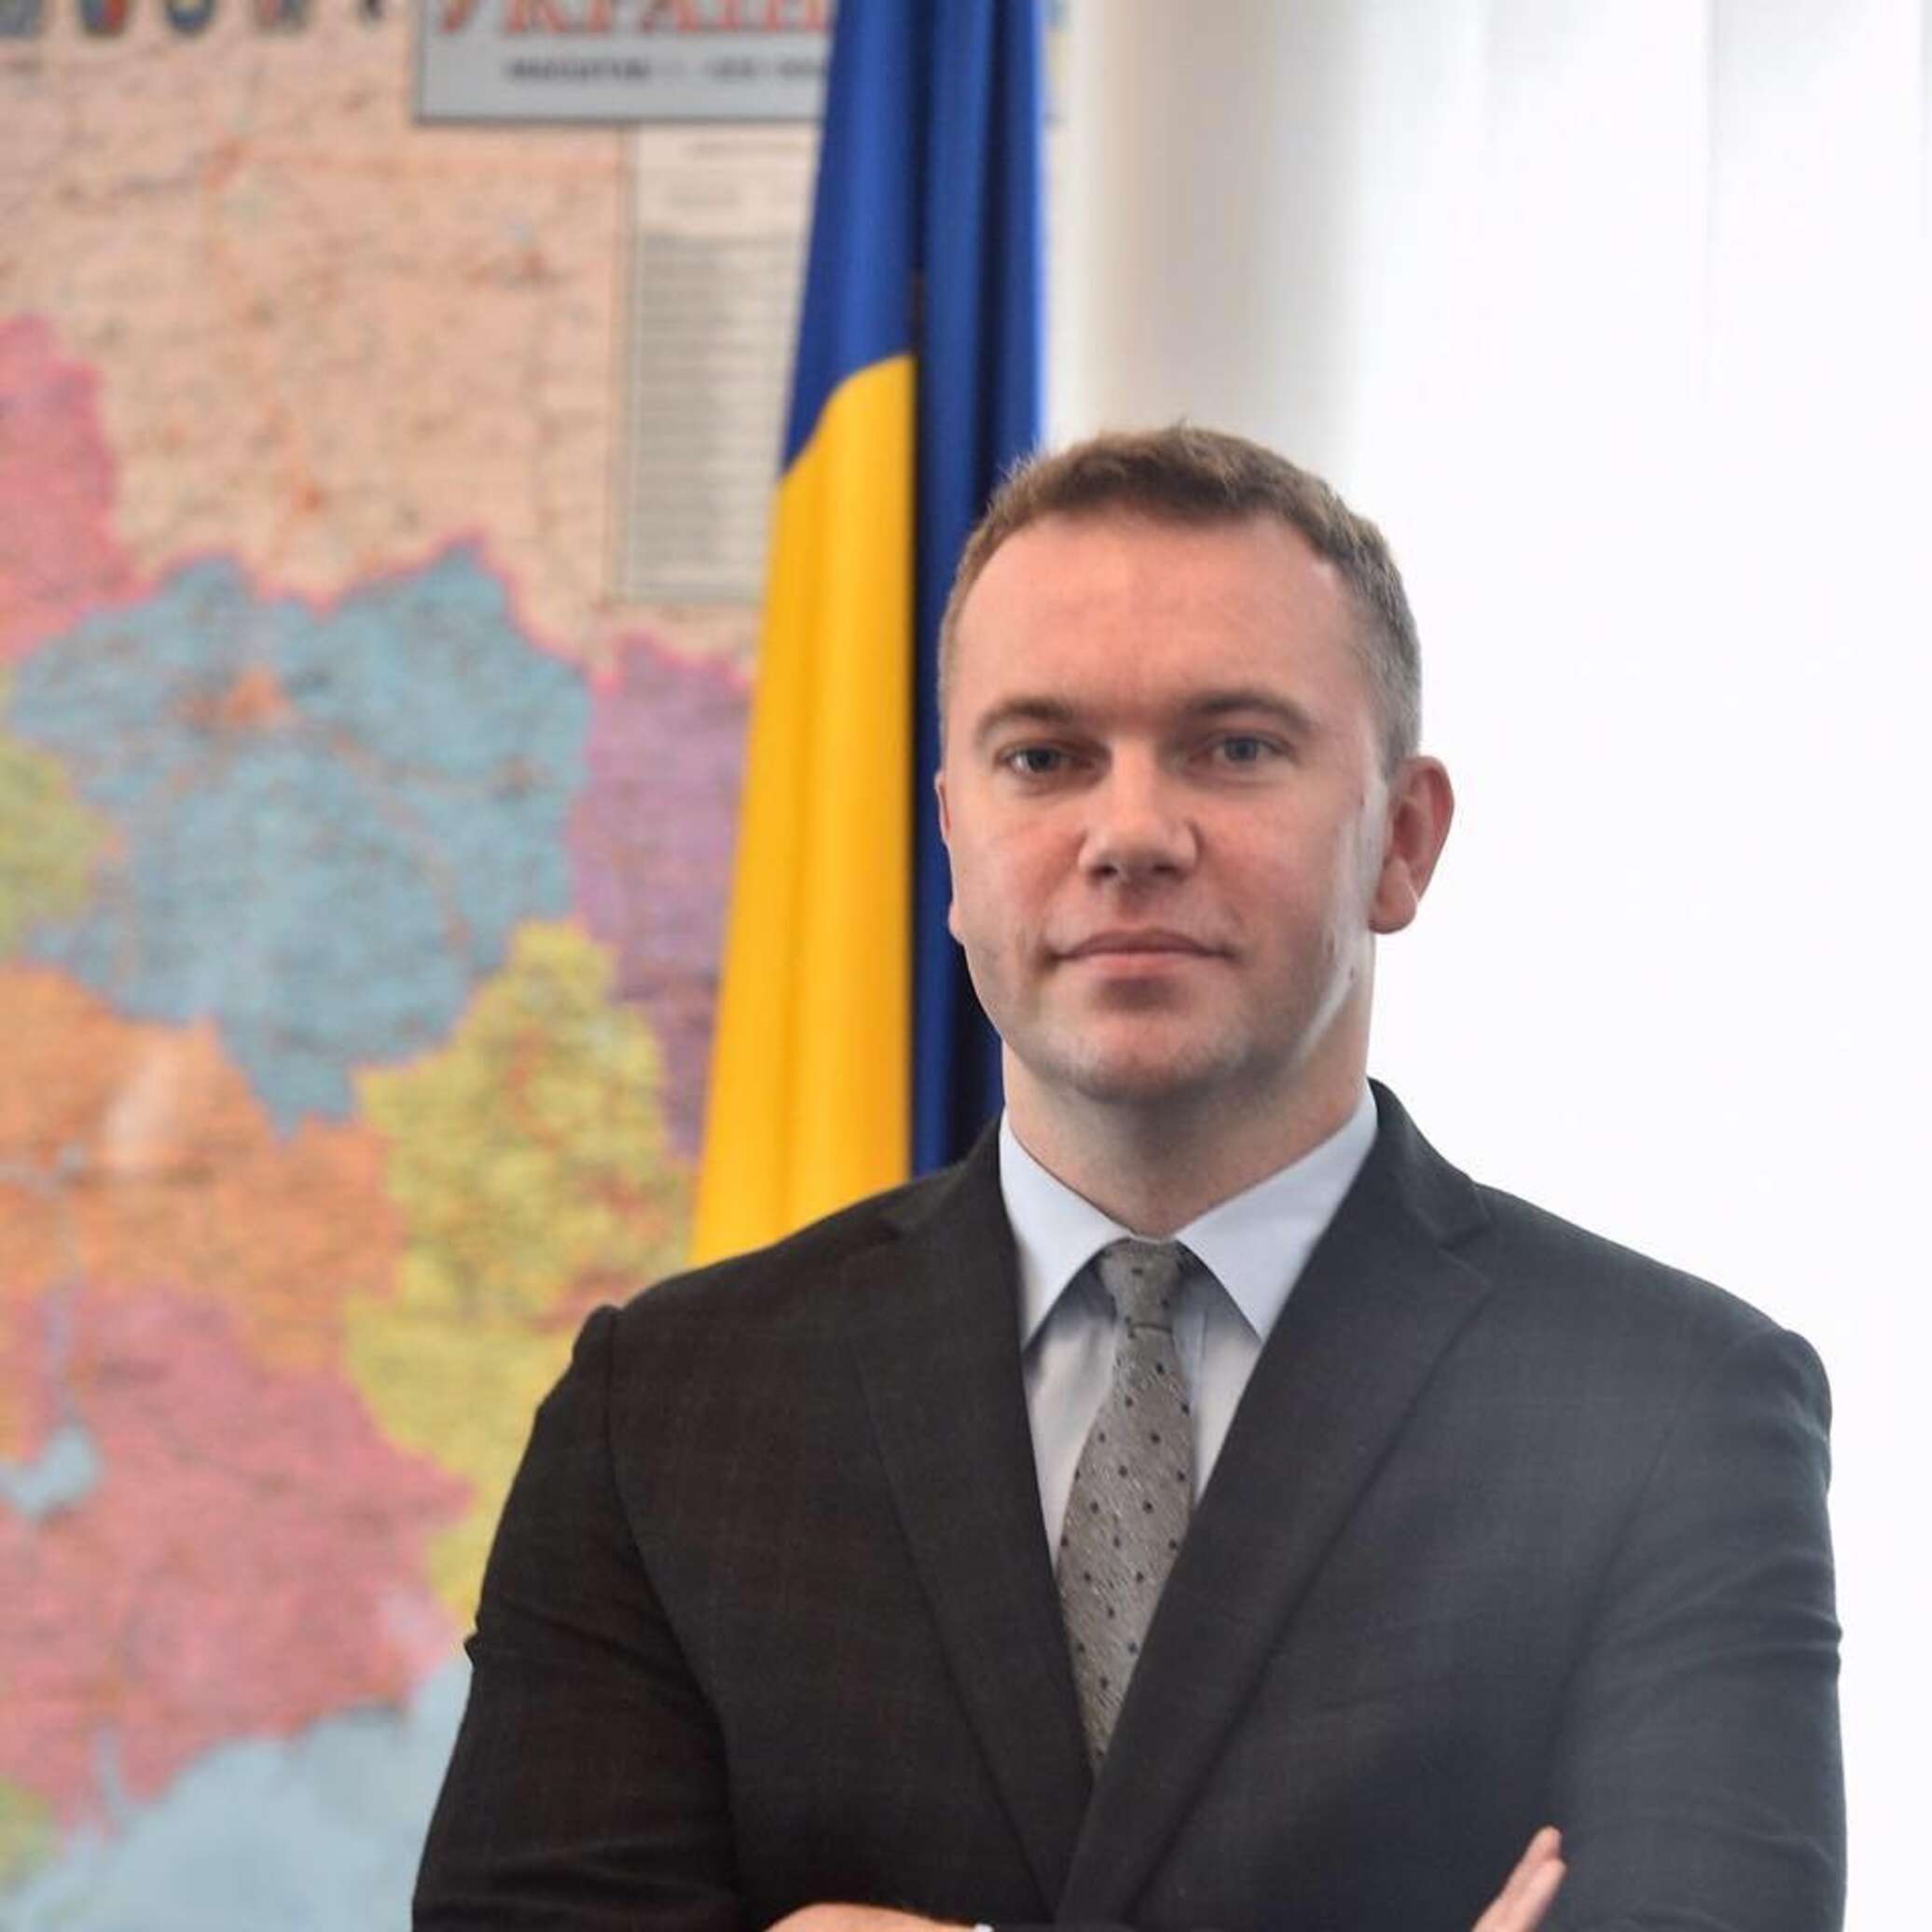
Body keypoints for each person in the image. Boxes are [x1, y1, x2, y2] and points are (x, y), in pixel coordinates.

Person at [413, 428, 1843, 1932]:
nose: (1134, 835)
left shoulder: (1676, 1409)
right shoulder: (666, 1414)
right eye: (1045, 760)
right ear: (954, 838)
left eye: (1236, 747)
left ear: (1403, 842)